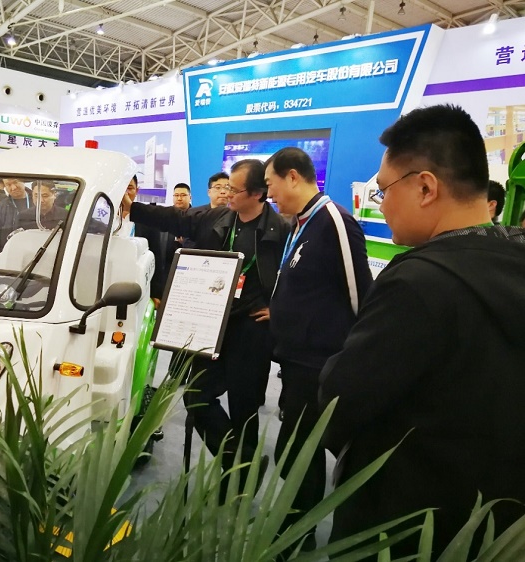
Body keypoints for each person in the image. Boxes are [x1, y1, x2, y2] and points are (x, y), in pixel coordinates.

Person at [319, 104, 525, 559]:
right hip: (496, 526)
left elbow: (340, 401)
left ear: (426, 187)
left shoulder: (417, 281)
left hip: (405, 526)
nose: (382, 203)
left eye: (384, 189)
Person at [127, 159, 289, 492]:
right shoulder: (217, 218)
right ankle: (238, 460)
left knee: (245, 408)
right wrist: (133, 207)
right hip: (211, 323)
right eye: (225, 187)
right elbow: (174, 218)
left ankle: (240, 481)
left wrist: (280, 308)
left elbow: (300, 277)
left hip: (251, 329)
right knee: (197, 397)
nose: (227, 194)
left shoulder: (281, 230)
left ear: (257, 194)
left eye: (235, 190)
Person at [265, 147, 372, 545]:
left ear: (293, 176)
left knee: (298, 452)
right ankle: (296, 528)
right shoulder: (300, 224)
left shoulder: (334, 222)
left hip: (319, 365)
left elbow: (361, 297)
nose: (270, 194)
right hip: (295, 363)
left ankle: (297, 536)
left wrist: (351, 362)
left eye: (272, 184)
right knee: (294, 452)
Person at [0, 177, 31, 257]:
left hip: (35, 253)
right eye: (8, 185)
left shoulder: (39, 202)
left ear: (23, 180)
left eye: (15, 182)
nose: (13, 188)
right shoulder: (0, 208)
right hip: (10, 255)